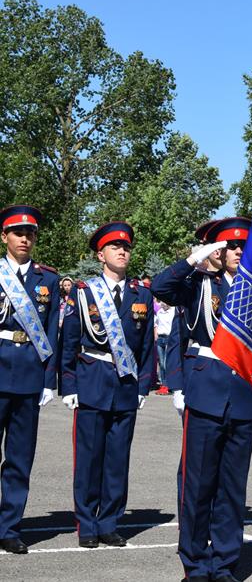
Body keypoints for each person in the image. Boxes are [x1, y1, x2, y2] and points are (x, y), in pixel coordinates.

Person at [151, 217, 252, 582]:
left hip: (244, 393)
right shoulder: (200, 284)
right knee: (198, 485)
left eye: (243, 246)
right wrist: (194, 260)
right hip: (206, 392)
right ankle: (196, 565)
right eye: (230, 246)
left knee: (232, 488)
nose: (237, 251)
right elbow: (160, 287)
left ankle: (225, 564)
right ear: (217, 251)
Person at [60, 221, 154, 549]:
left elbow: (147, 347)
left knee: (117, 460)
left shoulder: (142, 294)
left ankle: (109, 522)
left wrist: (143, 387)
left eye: (126, 247)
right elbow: (69, 341)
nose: (122, 252)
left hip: (125, 385)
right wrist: (69, 385)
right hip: (92, 381)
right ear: (101, 255)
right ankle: (87, 524)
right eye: (115, 247)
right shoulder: (84, 292)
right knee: (89, 459)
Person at [0, 205, 60, 555]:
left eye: (30, 234)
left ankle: (9, 528)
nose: (25, 239)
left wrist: (48, 381)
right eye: (18, 233)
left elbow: (51, 331)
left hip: (29, 375)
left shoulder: (47, 279)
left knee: (20, 459)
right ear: (4, 237)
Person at [154, 299, 175, 395]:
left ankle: (168, 384)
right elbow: (156, 324)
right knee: (161, 363)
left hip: (168, 338)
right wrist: (156, 336)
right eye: (161, 301)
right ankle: (163, 384)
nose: (163, 303)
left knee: (166, 363)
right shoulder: (159, 312)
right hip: (160, 338)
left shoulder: (173, 312)